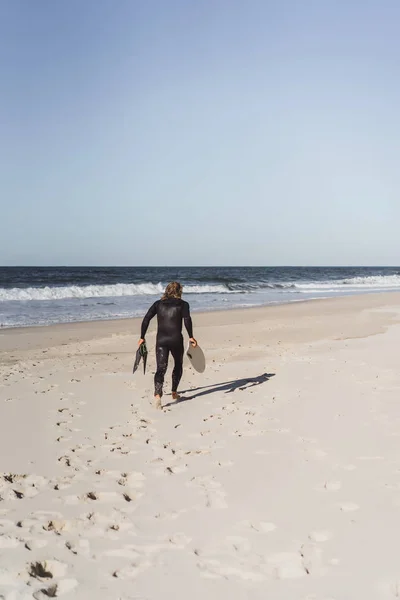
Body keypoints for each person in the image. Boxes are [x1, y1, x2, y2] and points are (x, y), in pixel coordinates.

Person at [138, 282, 197, 409]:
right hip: (176, 340)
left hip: (161, 341)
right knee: (178, 365)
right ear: (179, 291)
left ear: (166, 290)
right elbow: (187, 320)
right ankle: (174, 393)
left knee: (161, 369)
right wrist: (191, 336)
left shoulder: (158, 304)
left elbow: (146, 318)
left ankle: (158, 396)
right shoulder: (183, 304)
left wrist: (142, 337)